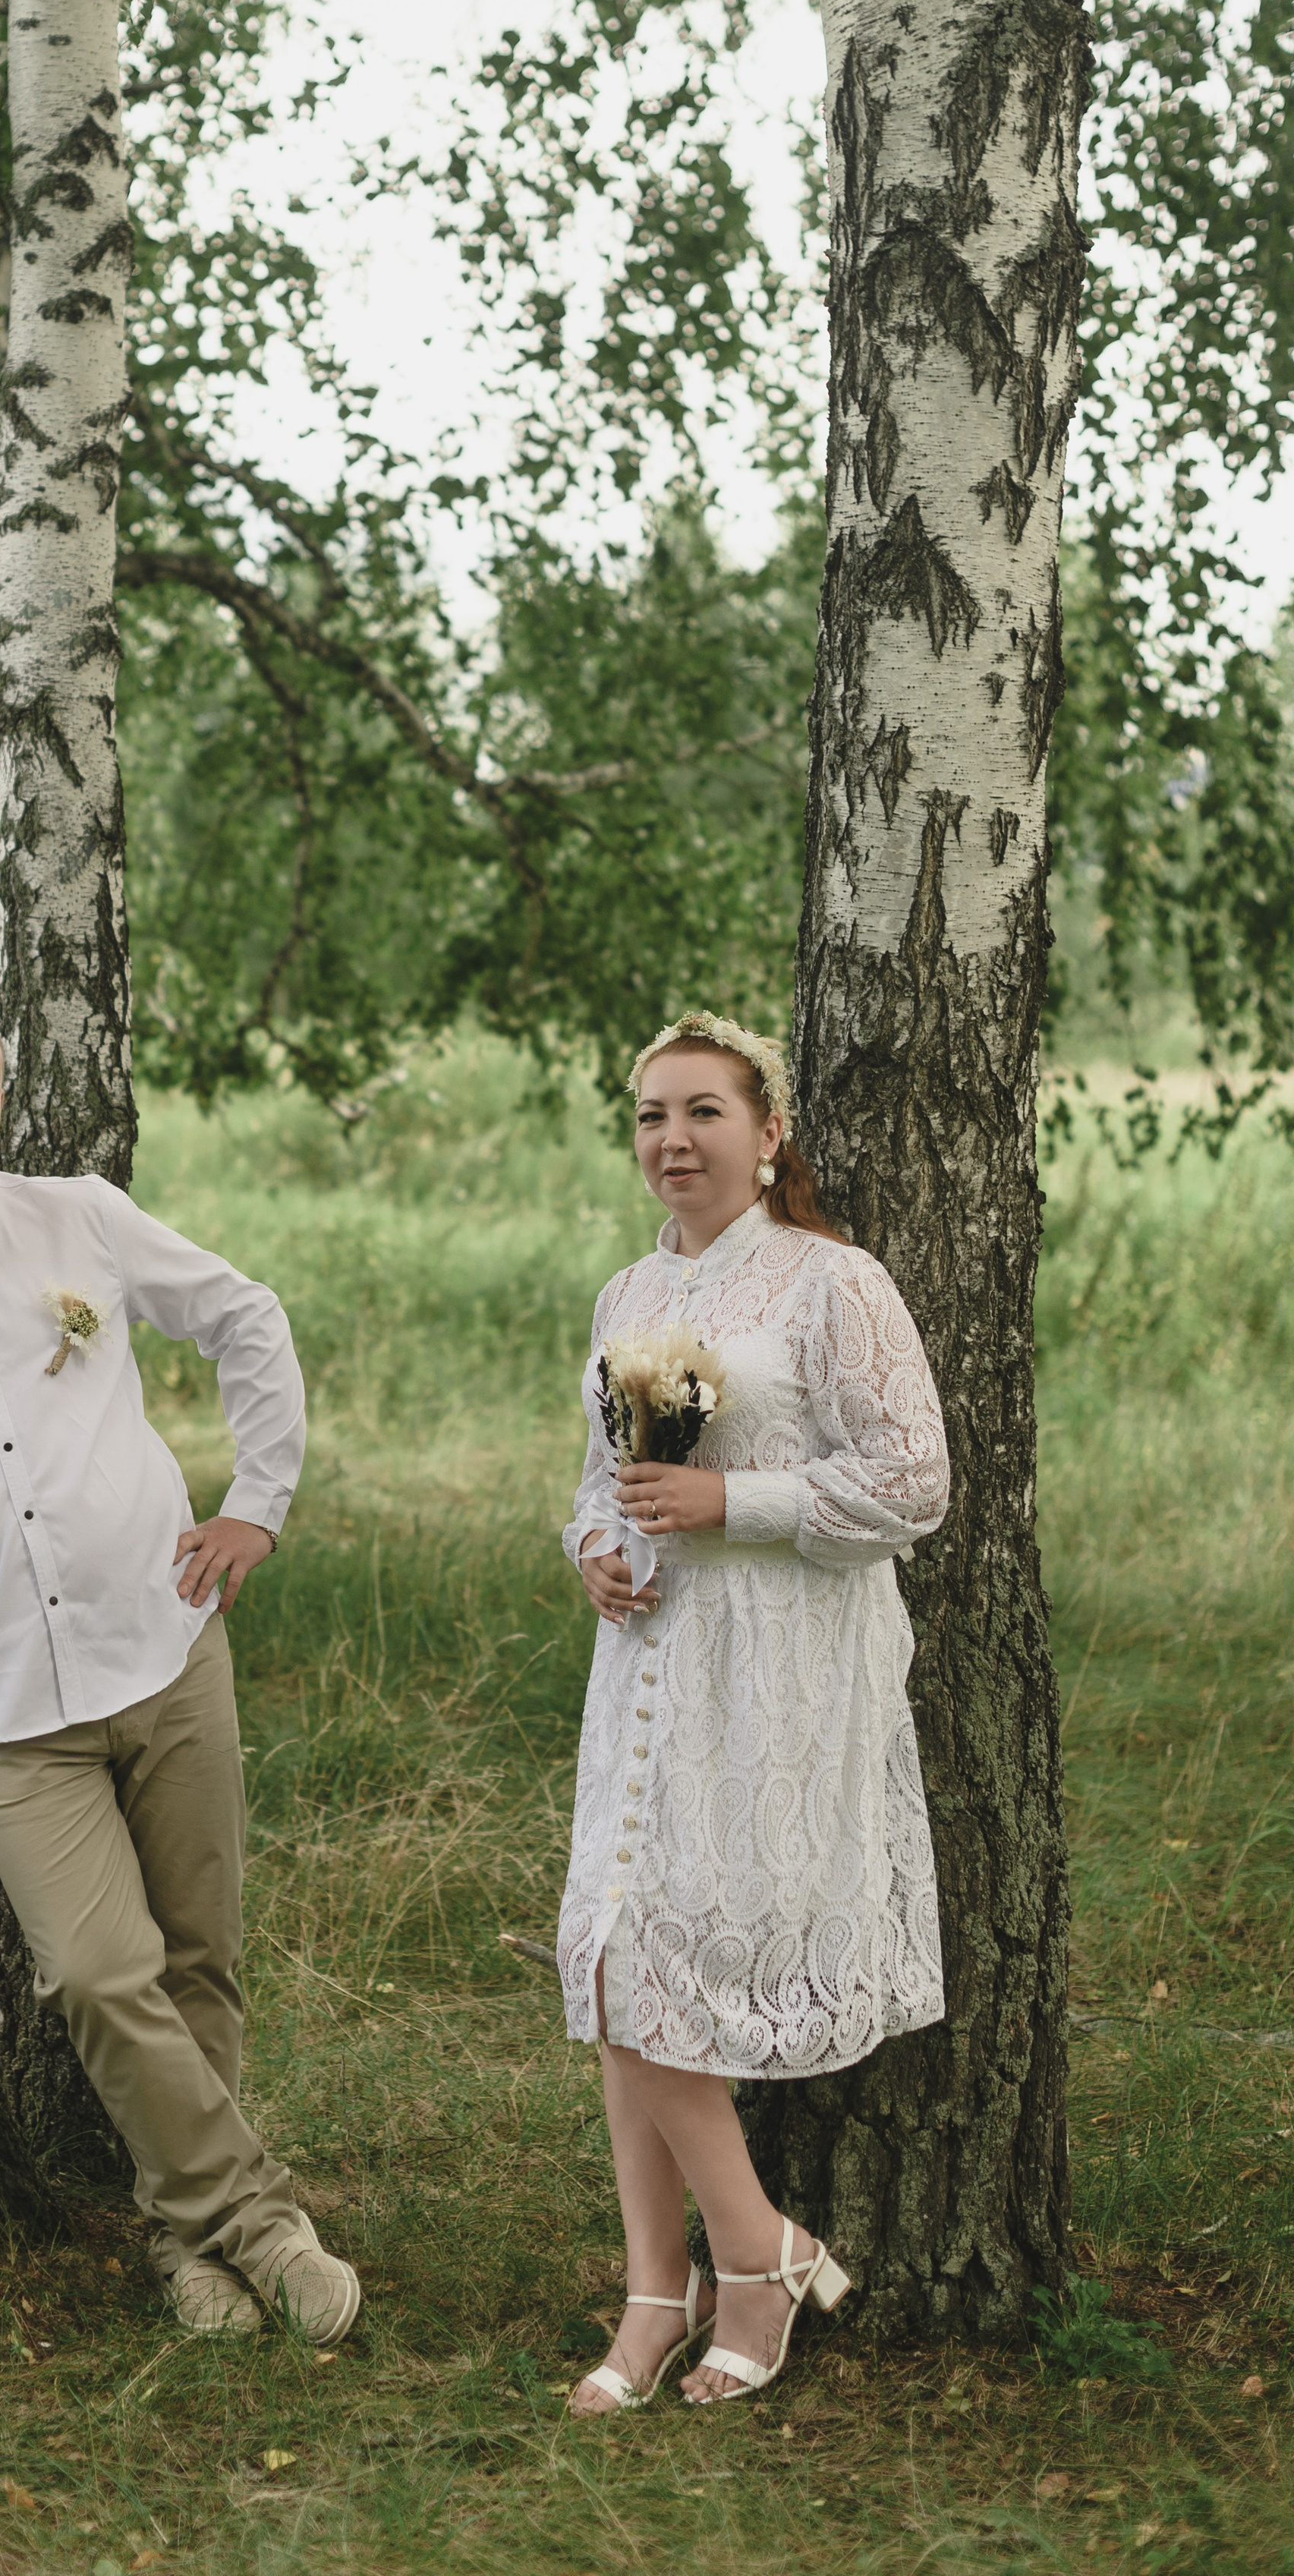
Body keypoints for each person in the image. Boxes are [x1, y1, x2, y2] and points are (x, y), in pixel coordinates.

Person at [0, 993, 360, 2342]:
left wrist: (258, 1502)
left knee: (199, 1958)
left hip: (165, 1644)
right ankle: (260, 2221)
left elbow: (247, 1317)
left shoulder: (77, 1216)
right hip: (8, 1709)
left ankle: (183, 2238)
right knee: (97, 1973)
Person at [556, 1009, 949, 2412]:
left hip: (778, 1676)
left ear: (768, 1132)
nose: (673, 1139)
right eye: (651, 1115)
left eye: (703, 1112)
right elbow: (597, 1480)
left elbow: (916, 1480)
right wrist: (593, 1550)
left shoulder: (833, 1283)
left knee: (659, 1960)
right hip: (649, 1664)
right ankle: (661, 2287)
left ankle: (752, 2255)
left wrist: (737, 1500)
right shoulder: (625, 1292)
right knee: (615, 1957)